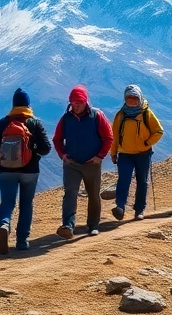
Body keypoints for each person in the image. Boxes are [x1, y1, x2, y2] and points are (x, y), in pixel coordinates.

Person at [0, 88, 52, 253]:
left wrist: (2, 153)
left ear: (14, 104)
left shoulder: (3, 123)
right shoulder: (35, 123)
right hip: (30, 171)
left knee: (7, 202)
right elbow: (46, 148)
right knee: (26, 204)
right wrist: (33, 150)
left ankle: (4, 224)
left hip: (6, 170)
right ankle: (22, 241)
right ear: (28, 105)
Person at [53, 85, 114, 239]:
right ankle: (68, 225)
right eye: (73, 103)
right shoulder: (66, 119)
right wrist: (63, 155)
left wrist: (100, 156)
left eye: (79, 102)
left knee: (93, 194)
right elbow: (57, 139)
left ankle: (93, 225)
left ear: (85, 101)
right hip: (71, 164)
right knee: (70, 193)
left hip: (92, 163)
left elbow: (108, 138)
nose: (76, 106)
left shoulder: (97, 116)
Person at [110, 84, 164, 221]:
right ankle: (120, 207)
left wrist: (147, 143)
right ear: (125, 98)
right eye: (129, 98)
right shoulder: (120, 115)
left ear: (140, 98)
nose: (132, 101)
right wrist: (113, 153)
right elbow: (114, 136)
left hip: (143, 154)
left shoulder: (146, 113)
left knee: (142, 182)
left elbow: (158, 131)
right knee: (124, 179)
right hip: (125, 154)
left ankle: (139, 210)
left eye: (134, 98)